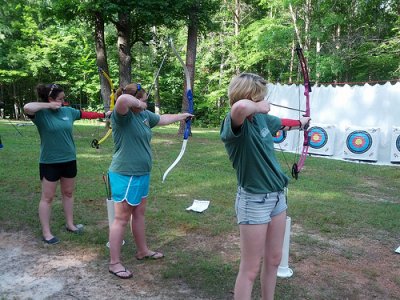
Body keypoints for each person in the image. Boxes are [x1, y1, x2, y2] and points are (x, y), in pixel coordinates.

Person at [220, 73, 311, 300]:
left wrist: (302, 123)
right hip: (254, 201)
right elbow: (240, 106)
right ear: (250, 95)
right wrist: (260, 106)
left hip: (277, 198)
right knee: (250, 268)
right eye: (260, 95)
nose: (264, 99)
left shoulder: (260, 119)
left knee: (273, 259)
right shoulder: (234, 123)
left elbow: (280, 124)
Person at [107, 83, 193, 279]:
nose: (146, 103)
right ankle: (114, 262)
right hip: (125, 173)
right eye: (144, 100)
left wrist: (182, 116)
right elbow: (121, 100)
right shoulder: (122, 116)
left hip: (142, 173)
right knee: (121, 219)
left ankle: (142, 250)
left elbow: (161, 119)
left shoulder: (144, 116)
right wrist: (137, 102)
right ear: (136, 100)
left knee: (139, 212)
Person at [24, 84, 107, 245]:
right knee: (47, 198)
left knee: (68, 193)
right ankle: (47, 233)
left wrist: (105, 113)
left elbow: (85, 114)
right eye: (60, 99)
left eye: (63, 98)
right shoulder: (40, 114)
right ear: (50, 99)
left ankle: (70, 224)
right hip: (49, 162)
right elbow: (27, 107)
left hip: (69, 159)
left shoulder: (68, 112)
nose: (64, 101)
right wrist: (49, 106)